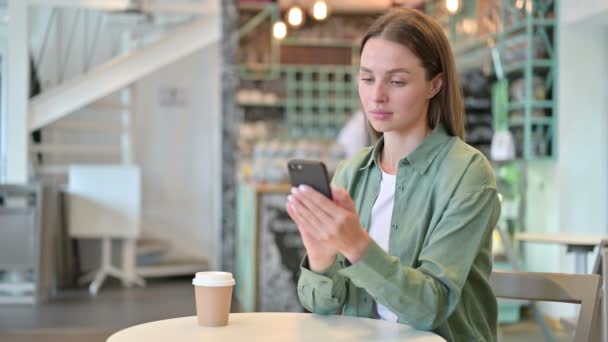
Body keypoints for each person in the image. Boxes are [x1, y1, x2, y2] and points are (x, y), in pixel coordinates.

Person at [286, 8, 500, 342]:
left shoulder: (468, 174)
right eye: (367, 78)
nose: (376, 95)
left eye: (396, 81)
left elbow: (430, 308)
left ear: (435, 84)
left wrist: (357, 246)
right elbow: (322, 308)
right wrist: (320, 256)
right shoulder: (352, 172)